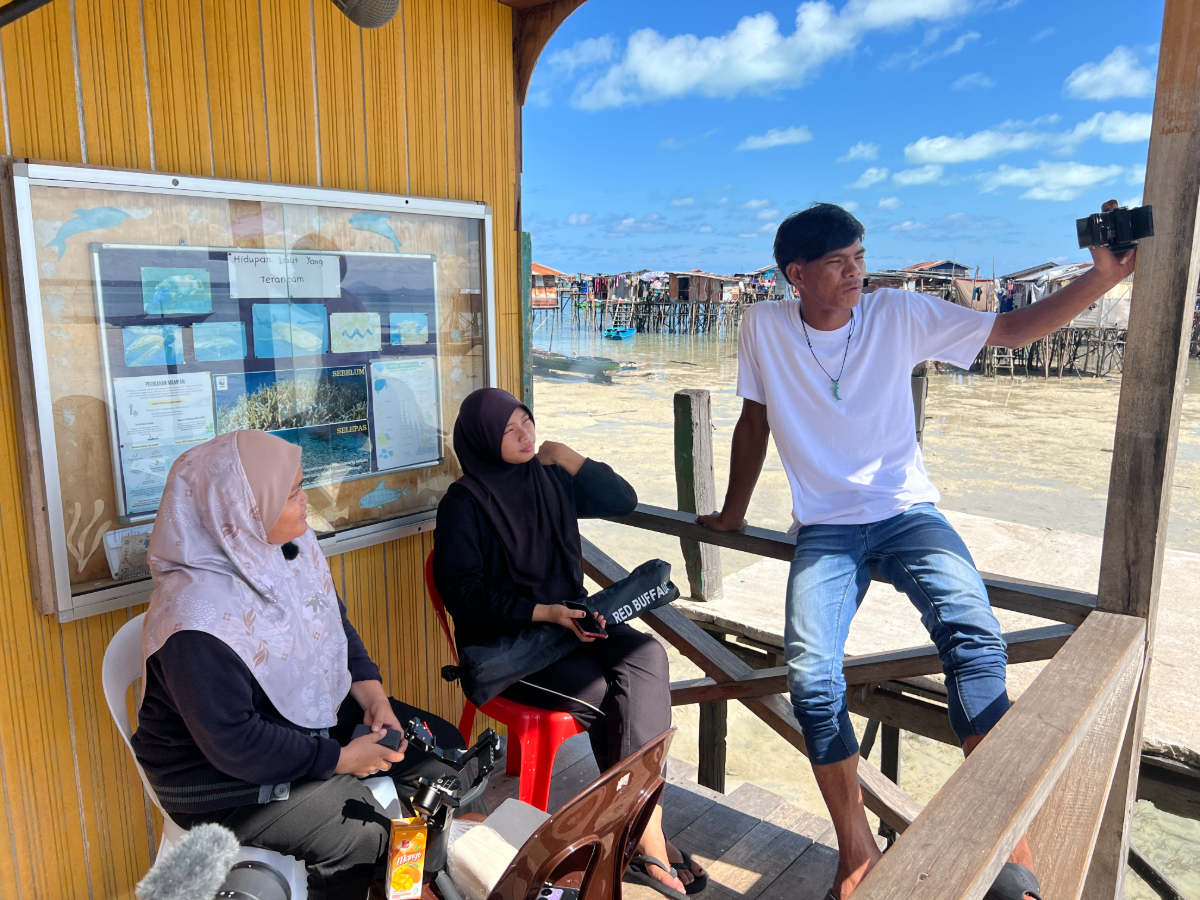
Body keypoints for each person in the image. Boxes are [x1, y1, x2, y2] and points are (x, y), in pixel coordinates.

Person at [698, 201, 1136, 900]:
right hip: (826, 530)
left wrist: (1102, 279)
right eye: (840, 262)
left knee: (974, 634)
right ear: (796, 275)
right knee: (810, 674)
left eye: (861, 257)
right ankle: (855, 848)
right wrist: (732, 513)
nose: (857, 274)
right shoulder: (763, 327)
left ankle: (1008, 839)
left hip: (905, 512)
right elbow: (754, 420)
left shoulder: (898, 314)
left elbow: (1011, 330)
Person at [132, 430, 475, 899]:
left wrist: (373, 696)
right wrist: (339, 761)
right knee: (364, 831)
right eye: (292, 492)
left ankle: (409, 880)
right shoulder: (195, 622)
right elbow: (236, 741)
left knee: (445, 756)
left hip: (302, 722)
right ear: (239, 513)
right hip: (216, 774)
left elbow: (334, 628)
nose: (305, 499)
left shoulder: (286, 552)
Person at [433, 387, 707, 899]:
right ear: (482, 440)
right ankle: (645, 839)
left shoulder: (549, 477)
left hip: (572, 620)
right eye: (509, 428)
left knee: (646, 657)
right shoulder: (463, 505)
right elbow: (464, 597)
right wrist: (545, 613)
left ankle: (637, 832)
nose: (525, 434)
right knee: (608, 696)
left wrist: (569, 456)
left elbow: (622, 500)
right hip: (511, 645)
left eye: (527, 421)